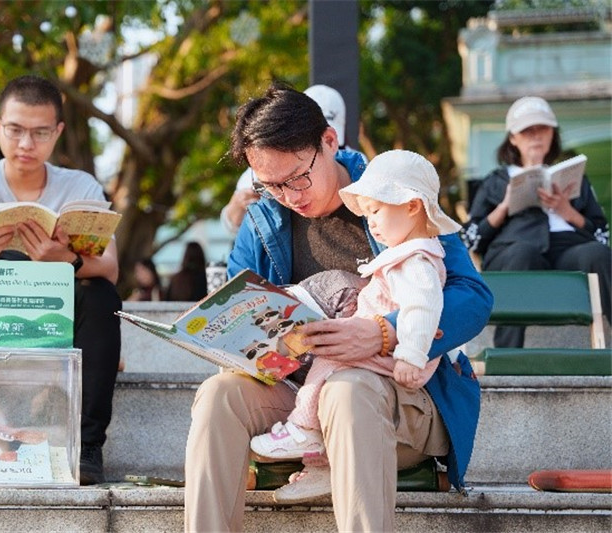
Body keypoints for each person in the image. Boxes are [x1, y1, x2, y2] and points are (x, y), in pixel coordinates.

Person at [183, 82, 492, 532]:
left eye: (297, 178)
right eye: (270, 185)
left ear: (329, 141)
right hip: (297, 399)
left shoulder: (392, 191)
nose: (289, 196)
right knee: (219, 396)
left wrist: (385, 332)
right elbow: (239, 308)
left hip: (398, 395)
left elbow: (473, 297)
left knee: (346, 390)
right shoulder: (262, 219)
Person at [0, 74, 121, 485]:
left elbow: (110, 266)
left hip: (48, 315)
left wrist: (62, 257)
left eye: (40, 132)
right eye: (15, 130)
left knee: (101, 295)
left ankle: (85, 448)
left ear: (58, 132)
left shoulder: (78, 185)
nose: (26, 144)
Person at [250, 150, 462, 472]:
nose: (371, 221)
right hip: (390, 351)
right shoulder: (409, 255)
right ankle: (318, 454)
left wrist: (412, 355)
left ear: (412, 206)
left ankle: (303, 428)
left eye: (376, 210)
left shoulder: (414, 261)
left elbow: (422, 307)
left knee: (326, 361)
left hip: (394, 356)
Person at [463, 96, 610, 348]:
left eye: (542, 129)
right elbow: (470, 238)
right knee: (523, 253)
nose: (536, 136)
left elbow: (602, 235)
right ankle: (507, 355)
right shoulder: (496, 181)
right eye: (527, 131)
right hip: (514, 247)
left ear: (553, 134)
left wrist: (566, 210)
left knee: (598, 254)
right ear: (513, 138)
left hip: (569, 248)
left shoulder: (576, 179)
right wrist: (504, 207)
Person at [219, 84, 350, 235]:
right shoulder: (260, 169)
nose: (291, 198)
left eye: (300, 176)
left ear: (330, 140)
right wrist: (237, 209)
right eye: (273, 186)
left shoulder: (368, 178)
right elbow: (233, 226)